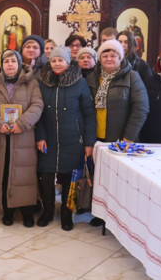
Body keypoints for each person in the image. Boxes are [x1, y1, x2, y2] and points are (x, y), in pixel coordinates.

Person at [86, 40, 149, 227]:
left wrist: (128, 138)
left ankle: (119, 217)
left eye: (113, 55)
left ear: (120, 58)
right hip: (97, 138)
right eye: (105, 55)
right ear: (99, 58)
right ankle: (100, 213)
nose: (109, 58)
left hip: (122, 139)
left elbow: (141, 108)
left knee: (120, 180)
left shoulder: (132, 77)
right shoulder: (92, 77)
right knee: (99, 176)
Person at [0, 50, 43, 227]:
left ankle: (27, 212)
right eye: (6, 61)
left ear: (19, 63)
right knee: (4, 171)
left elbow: (37, 105)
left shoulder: (31, 82)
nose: (10, 64)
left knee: (24, 174)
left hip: (23, 136)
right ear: (2, 64)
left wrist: (21, 124)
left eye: (13, 61)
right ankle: (7, 210)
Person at [35, 46, 96, 231]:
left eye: (60, 60)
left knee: (71, 176)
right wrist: (40, 136)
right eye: (53, 60)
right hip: (48, 138)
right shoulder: (42, 82)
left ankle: (67, 213)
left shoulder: (80, 82)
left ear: (68, 62)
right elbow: (37, 112)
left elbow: (88, 113)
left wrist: (88, 142)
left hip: (73, 138)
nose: (57, 64)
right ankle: (48, 210)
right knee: (45, 174)